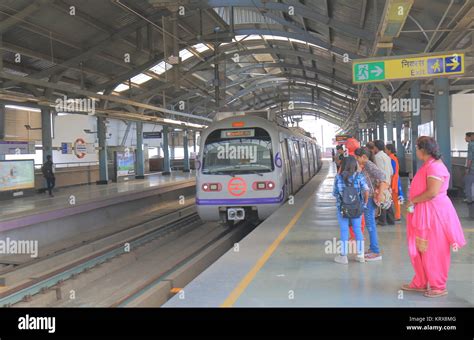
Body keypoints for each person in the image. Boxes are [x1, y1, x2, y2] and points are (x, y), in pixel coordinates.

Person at [402, 136, 466, 297]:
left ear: (423, 150)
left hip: (435, 214)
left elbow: (432, 192)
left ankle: (438, 285)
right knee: (420, 248)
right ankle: (421, 282)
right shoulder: (429, 165)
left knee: (434, 250)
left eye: (416, 148)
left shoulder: (435, 168)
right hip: (425, 212)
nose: (415, 151)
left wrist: (413, 201)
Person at [332, 156, 369, 264]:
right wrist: (364, 203)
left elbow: (335, 193)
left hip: (342, 208)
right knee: (357, 230)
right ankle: (361, 255)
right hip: (356, 208)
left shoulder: (338, 178)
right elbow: (366, 190)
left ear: (343, 165)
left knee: (344, 231)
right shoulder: (359, 176)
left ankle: (343, 256)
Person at [354, 147, 388, 261]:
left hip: (370, 199)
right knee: (370, 225)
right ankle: (373, 248)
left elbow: (383, 176)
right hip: (367, 199)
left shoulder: (368, 164)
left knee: (370, 225)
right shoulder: (366, 165)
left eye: (357, 157)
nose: (356, 159)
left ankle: (376, 251)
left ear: (363, 157)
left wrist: (380, 193)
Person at [372, 140, 395, 226]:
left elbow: (378, 171)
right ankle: (391, 220)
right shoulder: (387, 156)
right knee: (388, 200)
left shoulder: (377, 157)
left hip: (382, 181)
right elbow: (392, 171)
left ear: (376, 147)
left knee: (381, 200)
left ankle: (382, 220)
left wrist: (378, 182)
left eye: (374, 147)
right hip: (388, 180)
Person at [386, 144, 404, 221]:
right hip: (396, 180)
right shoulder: (394, 158)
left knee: (396, 198)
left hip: (394, 180)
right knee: (396, 198)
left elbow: (392, 171)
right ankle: (397, 215)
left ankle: (397, 215)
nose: (385, 151)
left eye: (386, 149)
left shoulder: (391, 159)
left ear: (389, 150)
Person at [464, 132, 474, 204]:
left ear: (470, 137)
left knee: (468, 183)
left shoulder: (470, 145)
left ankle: (469, 199)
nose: (465, 138)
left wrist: (467, 168)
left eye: (466, 137)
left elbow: (470, 158)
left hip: (472, 168)